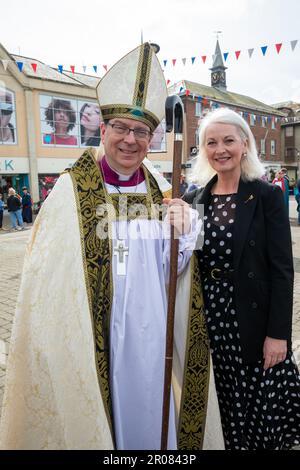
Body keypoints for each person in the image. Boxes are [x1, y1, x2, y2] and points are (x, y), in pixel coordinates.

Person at [0, 43, 224, 451]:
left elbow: (171, 270)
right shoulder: (72, 190)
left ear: (151, 137)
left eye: (141, 131)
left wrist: (185, 229)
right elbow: (47, 284)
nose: (130, 139)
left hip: (153, 333)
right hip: (93, 336)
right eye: (120, 127)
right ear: (101, 130)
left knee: (153, 421)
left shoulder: (160, 190)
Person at [184, 107, 300, 450]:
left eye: (228, 140)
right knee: (223, 410)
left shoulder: (265, 196)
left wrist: (278, 336)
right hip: (210, 321)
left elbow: (282, 270)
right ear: (203, 150)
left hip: (252, 320)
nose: (220, 149)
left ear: (245, 144)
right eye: (211, 142)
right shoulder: (196, 199)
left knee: (259, 418)